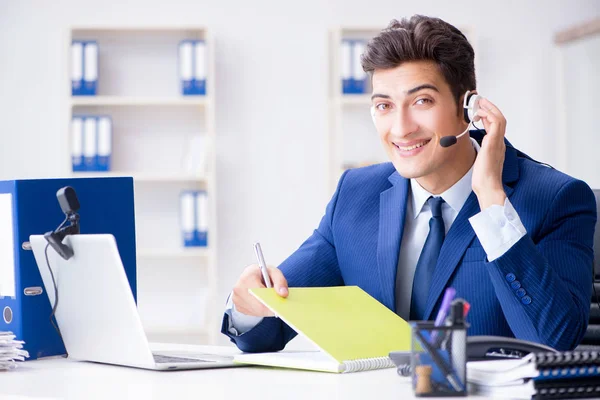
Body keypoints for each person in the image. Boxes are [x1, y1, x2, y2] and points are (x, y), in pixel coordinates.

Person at [221, 15, 596, 352]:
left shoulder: (556, 199)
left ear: (469, 107)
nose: (400, 128)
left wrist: (493, 203)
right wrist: (248, 304)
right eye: (384, 106)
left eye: (421, 101)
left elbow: (554, 340)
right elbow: (270, 328)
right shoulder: (355, 195)